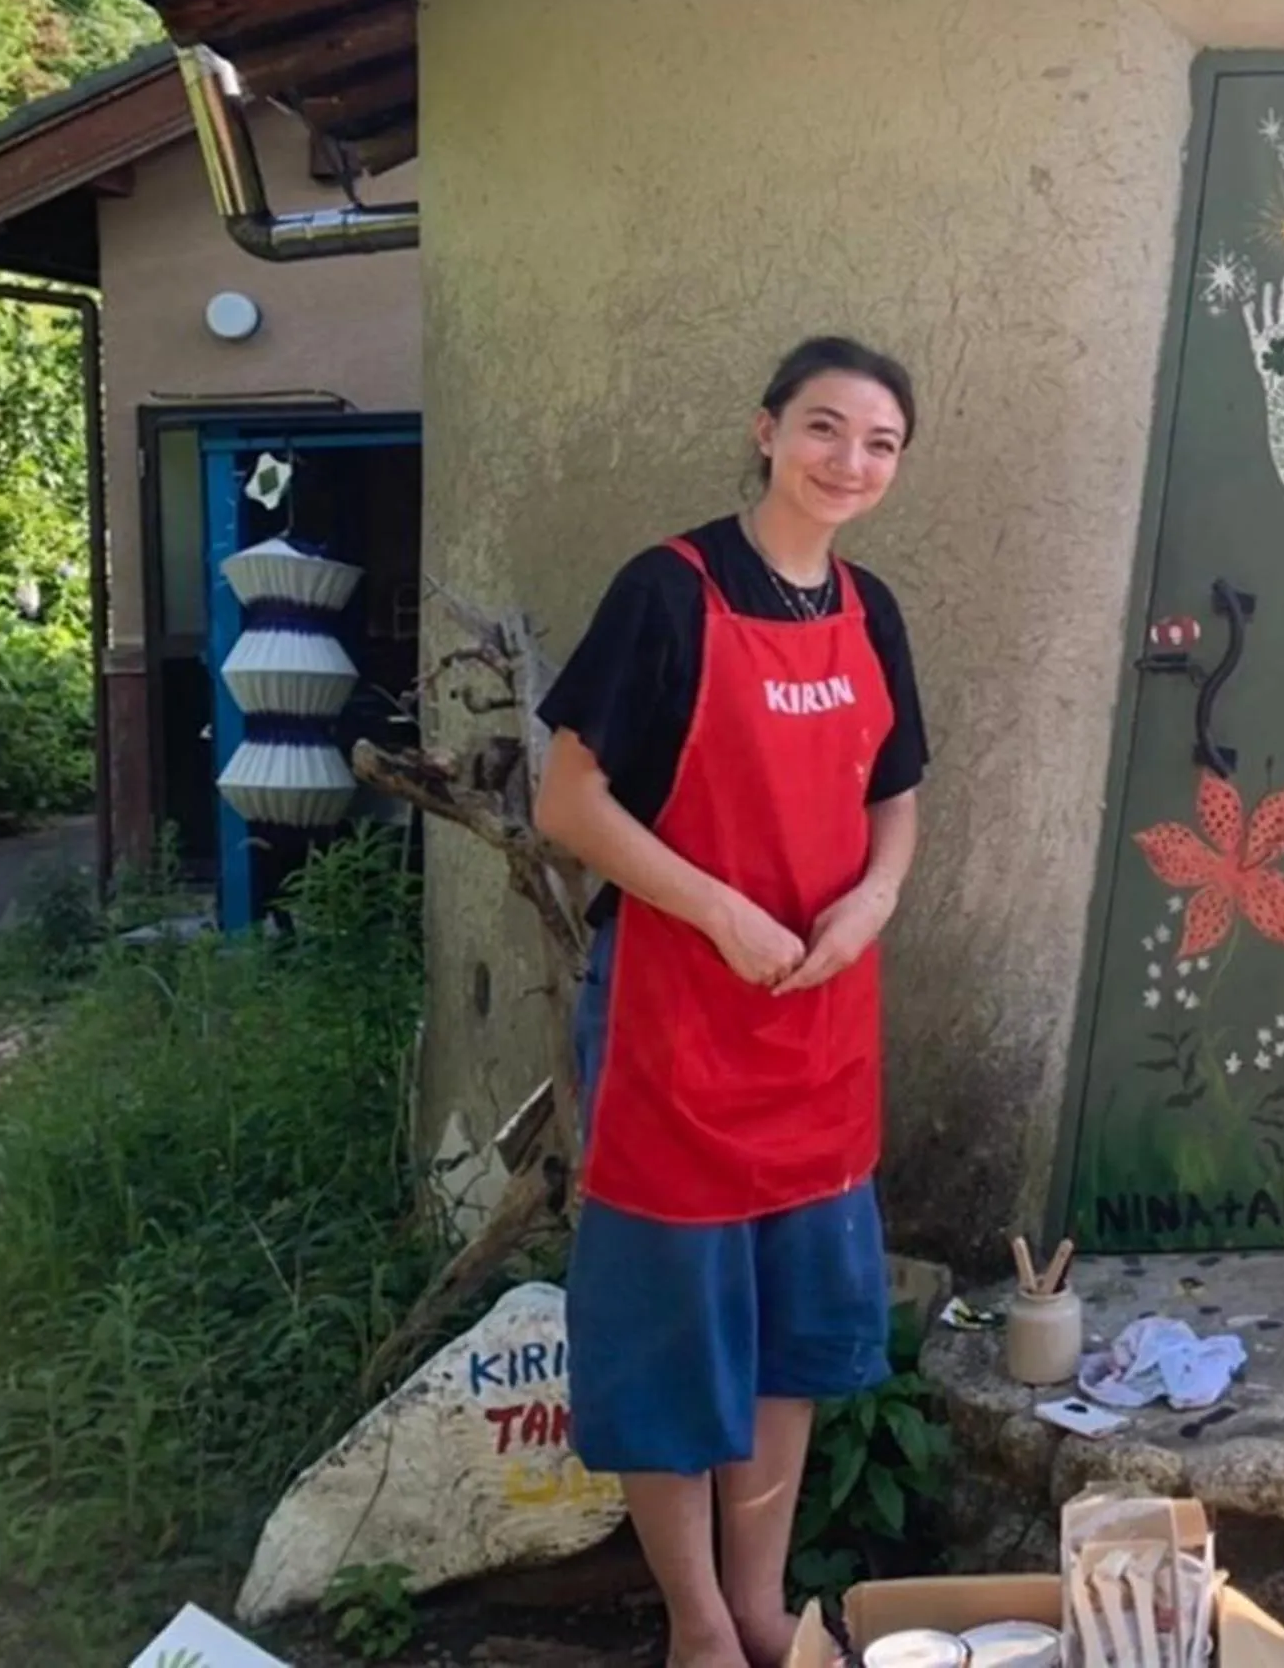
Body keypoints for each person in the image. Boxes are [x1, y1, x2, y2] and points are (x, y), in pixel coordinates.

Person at [532, 335, 929, 1668]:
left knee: (790, 1334)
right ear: (766, 432)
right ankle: (698, 1628)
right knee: (670, 1339)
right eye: (825, 429)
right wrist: (719, 909)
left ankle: (764, 1606)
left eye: (878, 444)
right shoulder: (669, 589)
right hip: (674, 1019)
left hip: (817, 1023)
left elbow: (896, 795)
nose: (849, 463)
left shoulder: (873, 612)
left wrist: (872, 902)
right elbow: (567, 800)